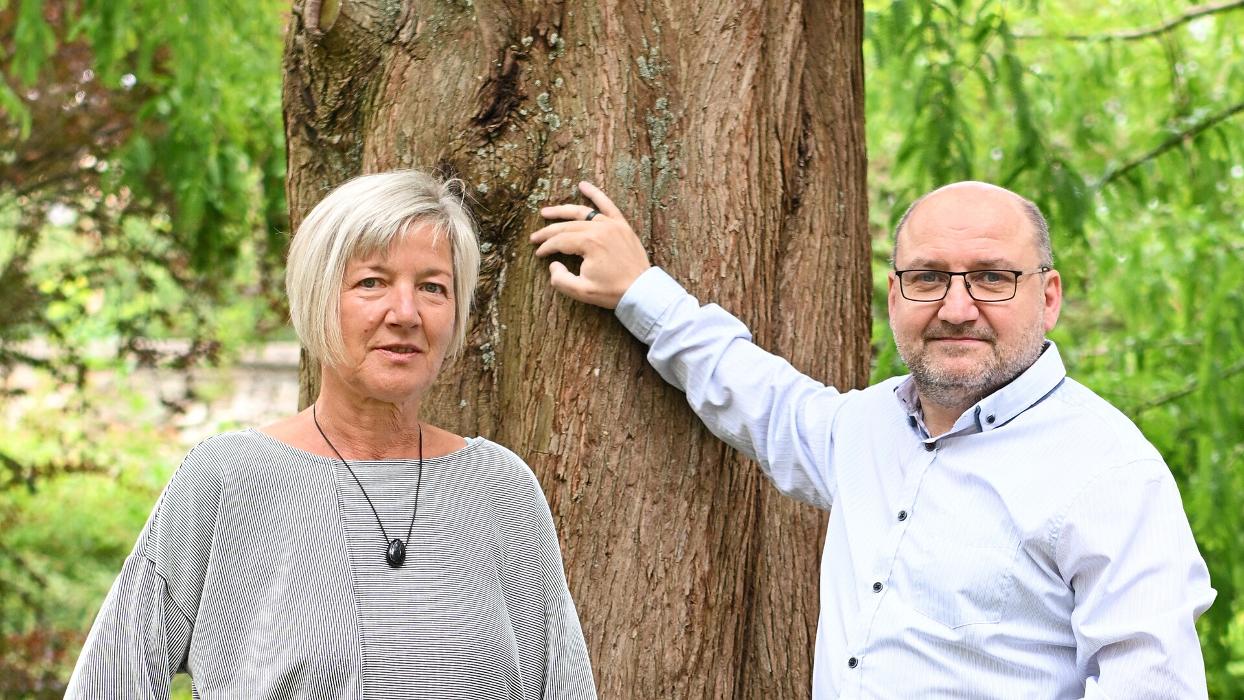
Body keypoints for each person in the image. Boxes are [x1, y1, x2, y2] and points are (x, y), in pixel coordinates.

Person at [530, 180, 1214, 698]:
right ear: (894, 296)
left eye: (991, 277)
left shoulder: (1110, 472)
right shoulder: (868, 431)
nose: (955, 308)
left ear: (1050, 295)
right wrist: (638, 289)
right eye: (927, 278)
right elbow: (758, 395)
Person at [68, 170, 597, 699]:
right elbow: (114, 679)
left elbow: (564, 687)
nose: (406, 313)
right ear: (319, 298)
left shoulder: (499, 490)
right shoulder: (225, 479)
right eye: (372, 282)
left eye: (433, 287)